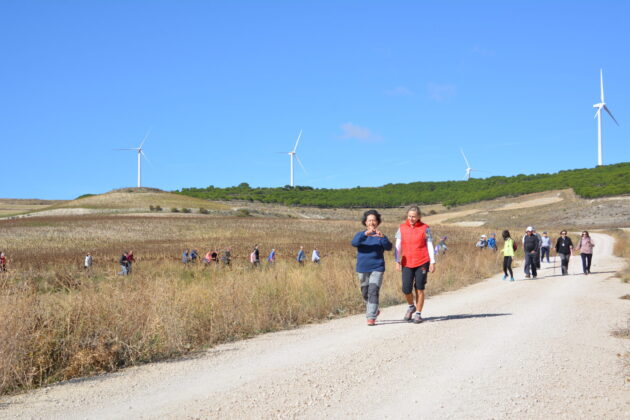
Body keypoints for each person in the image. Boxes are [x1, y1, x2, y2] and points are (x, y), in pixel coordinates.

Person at [395, 205, 436, 324]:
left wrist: (432, 262)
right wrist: (397, 261)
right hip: (407, 262)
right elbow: (397, 246)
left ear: (418, 217)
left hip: (422, 261)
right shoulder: (402, 228)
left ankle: (418, 313)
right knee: (406, 288)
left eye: (413, 216)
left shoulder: (425, 228)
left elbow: (429, 245)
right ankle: (411, 306)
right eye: (409, 216)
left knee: (419, 288)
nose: (411, 219)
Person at [352, 209, 392, 326]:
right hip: (362, 268)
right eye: (369, 220)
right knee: (365, 292)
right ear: (365, 222)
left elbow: (389, 247)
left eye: (374, 220)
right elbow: (354, 243)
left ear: (377, 222)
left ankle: (371, 317)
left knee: (373, 291)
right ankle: (374, 308)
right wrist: (365, 234)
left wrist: (383, 237)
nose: (371, 223)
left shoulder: (380, 236)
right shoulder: (360, 235)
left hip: (377, 267)